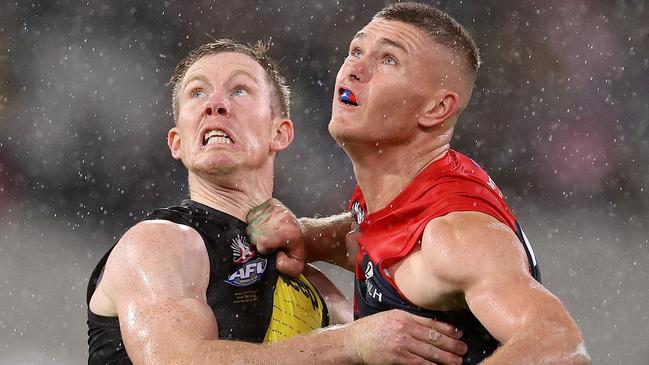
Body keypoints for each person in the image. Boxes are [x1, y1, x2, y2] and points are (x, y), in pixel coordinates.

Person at [86, 39, 469, 365]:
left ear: (280, 132)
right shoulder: (157, 244)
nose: (214, 105)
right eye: (197, 92)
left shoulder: (311, 284)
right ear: (177, 142)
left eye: (239, 90)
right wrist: (350, 342)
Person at [247, 3, 591, 365]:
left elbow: (559, 343)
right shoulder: (404, 187)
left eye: (389, 60)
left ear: (437, 109)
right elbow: (377, 238)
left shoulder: (458, 233)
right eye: (357, 50)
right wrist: (309, 236)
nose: (355, 69)